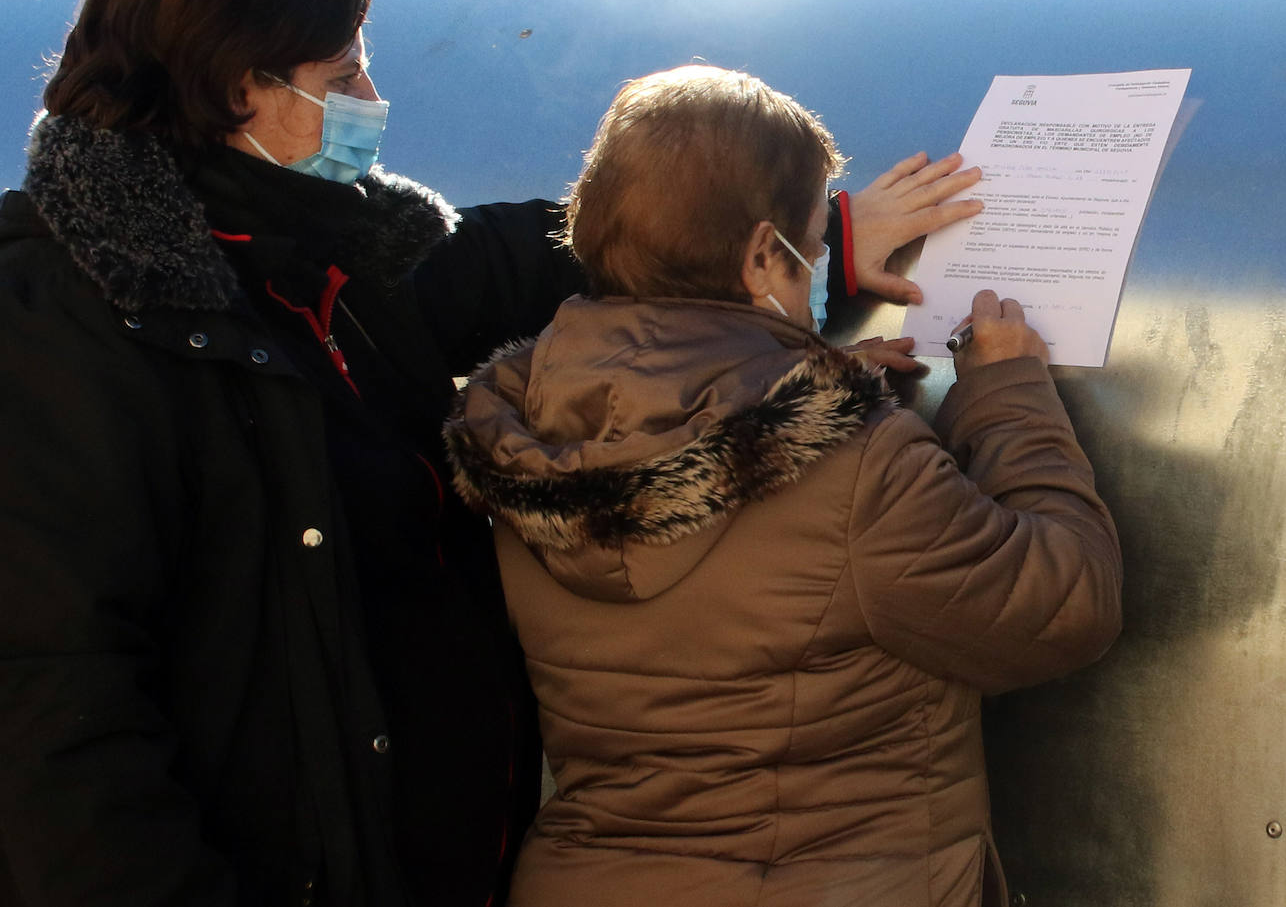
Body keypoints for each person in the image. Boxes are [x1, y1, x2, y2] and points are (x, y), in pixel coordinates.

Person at [0, 0, 984, 905]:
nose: (373, 95)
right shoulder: (67, 328)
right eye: (342, 75)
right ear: (234, 91)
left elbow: (543, 259)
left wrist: (802, 247)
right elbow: (55, 718)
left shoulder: (327, 261)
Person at [444, 65, 1124, 907]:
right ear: (764, 252)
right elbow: (1060, 603)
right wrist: (1009, 394)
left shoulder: (530, 425)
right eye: (815, 243)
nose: (821, 262)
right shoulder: (855, 465)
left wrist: (822, 386)